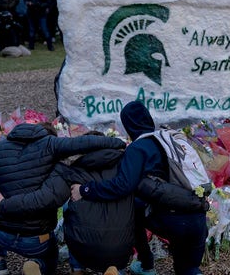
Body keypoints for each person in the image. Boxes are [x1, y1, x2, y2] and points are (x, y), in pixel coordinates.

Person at [71, 101, 209, 275]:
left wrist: (85, 190)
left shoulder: (138, 148)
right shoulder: (169, 138)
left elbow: (122, 186)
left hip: (172, 218)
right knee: (188, 269)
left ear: (128, 125)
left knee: (132, 209)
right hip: (197, 214)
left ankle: (146, 264)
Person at [0, 122, 126, 275]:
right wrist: (120, 143)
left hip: (0, 233)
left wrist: (4, 196)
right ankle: (39, 263)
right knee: (51, 256)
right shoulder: (51, 147)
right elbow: (81, 143)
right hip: (35, 240)